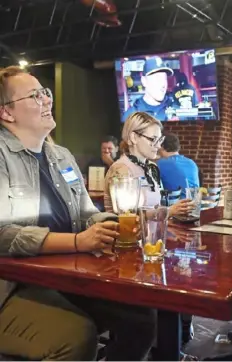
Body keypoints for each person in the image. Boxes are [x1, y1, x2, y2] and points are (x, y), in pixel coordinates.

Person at [0, 66, 156, 360]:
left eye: (46, 93)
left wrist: (117, 224)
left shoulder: (61, 156)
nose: (48, 100)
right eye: (36, 96)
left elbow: (86, 212)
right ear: (7, 113)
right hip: (9, 288)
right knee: (76, 336)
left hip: (63, 278)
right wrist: (77, 242)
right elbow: (2, 235)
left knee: (141, 320)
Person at [104, 111, 194, 217]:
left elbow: (156, 207)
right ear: (133, 137)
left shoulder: (152, 167)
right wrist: (169, 211)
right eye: (153, 139)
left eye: (160, 140)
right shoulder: (121, 169)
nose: (158, 146)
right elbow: (128, 216)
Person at [122, 57, 175, 122]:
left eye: (164, 78)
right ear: (144, 81)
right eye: (157, 78)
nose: (163, 84)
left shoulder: (175, 109)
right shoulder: (130, 117)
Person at [157, 133, 200, 198]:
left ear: (162, 146)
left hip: (175, 206)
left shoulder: (160, 164)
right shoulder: (191, 163)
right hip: (194, 205)